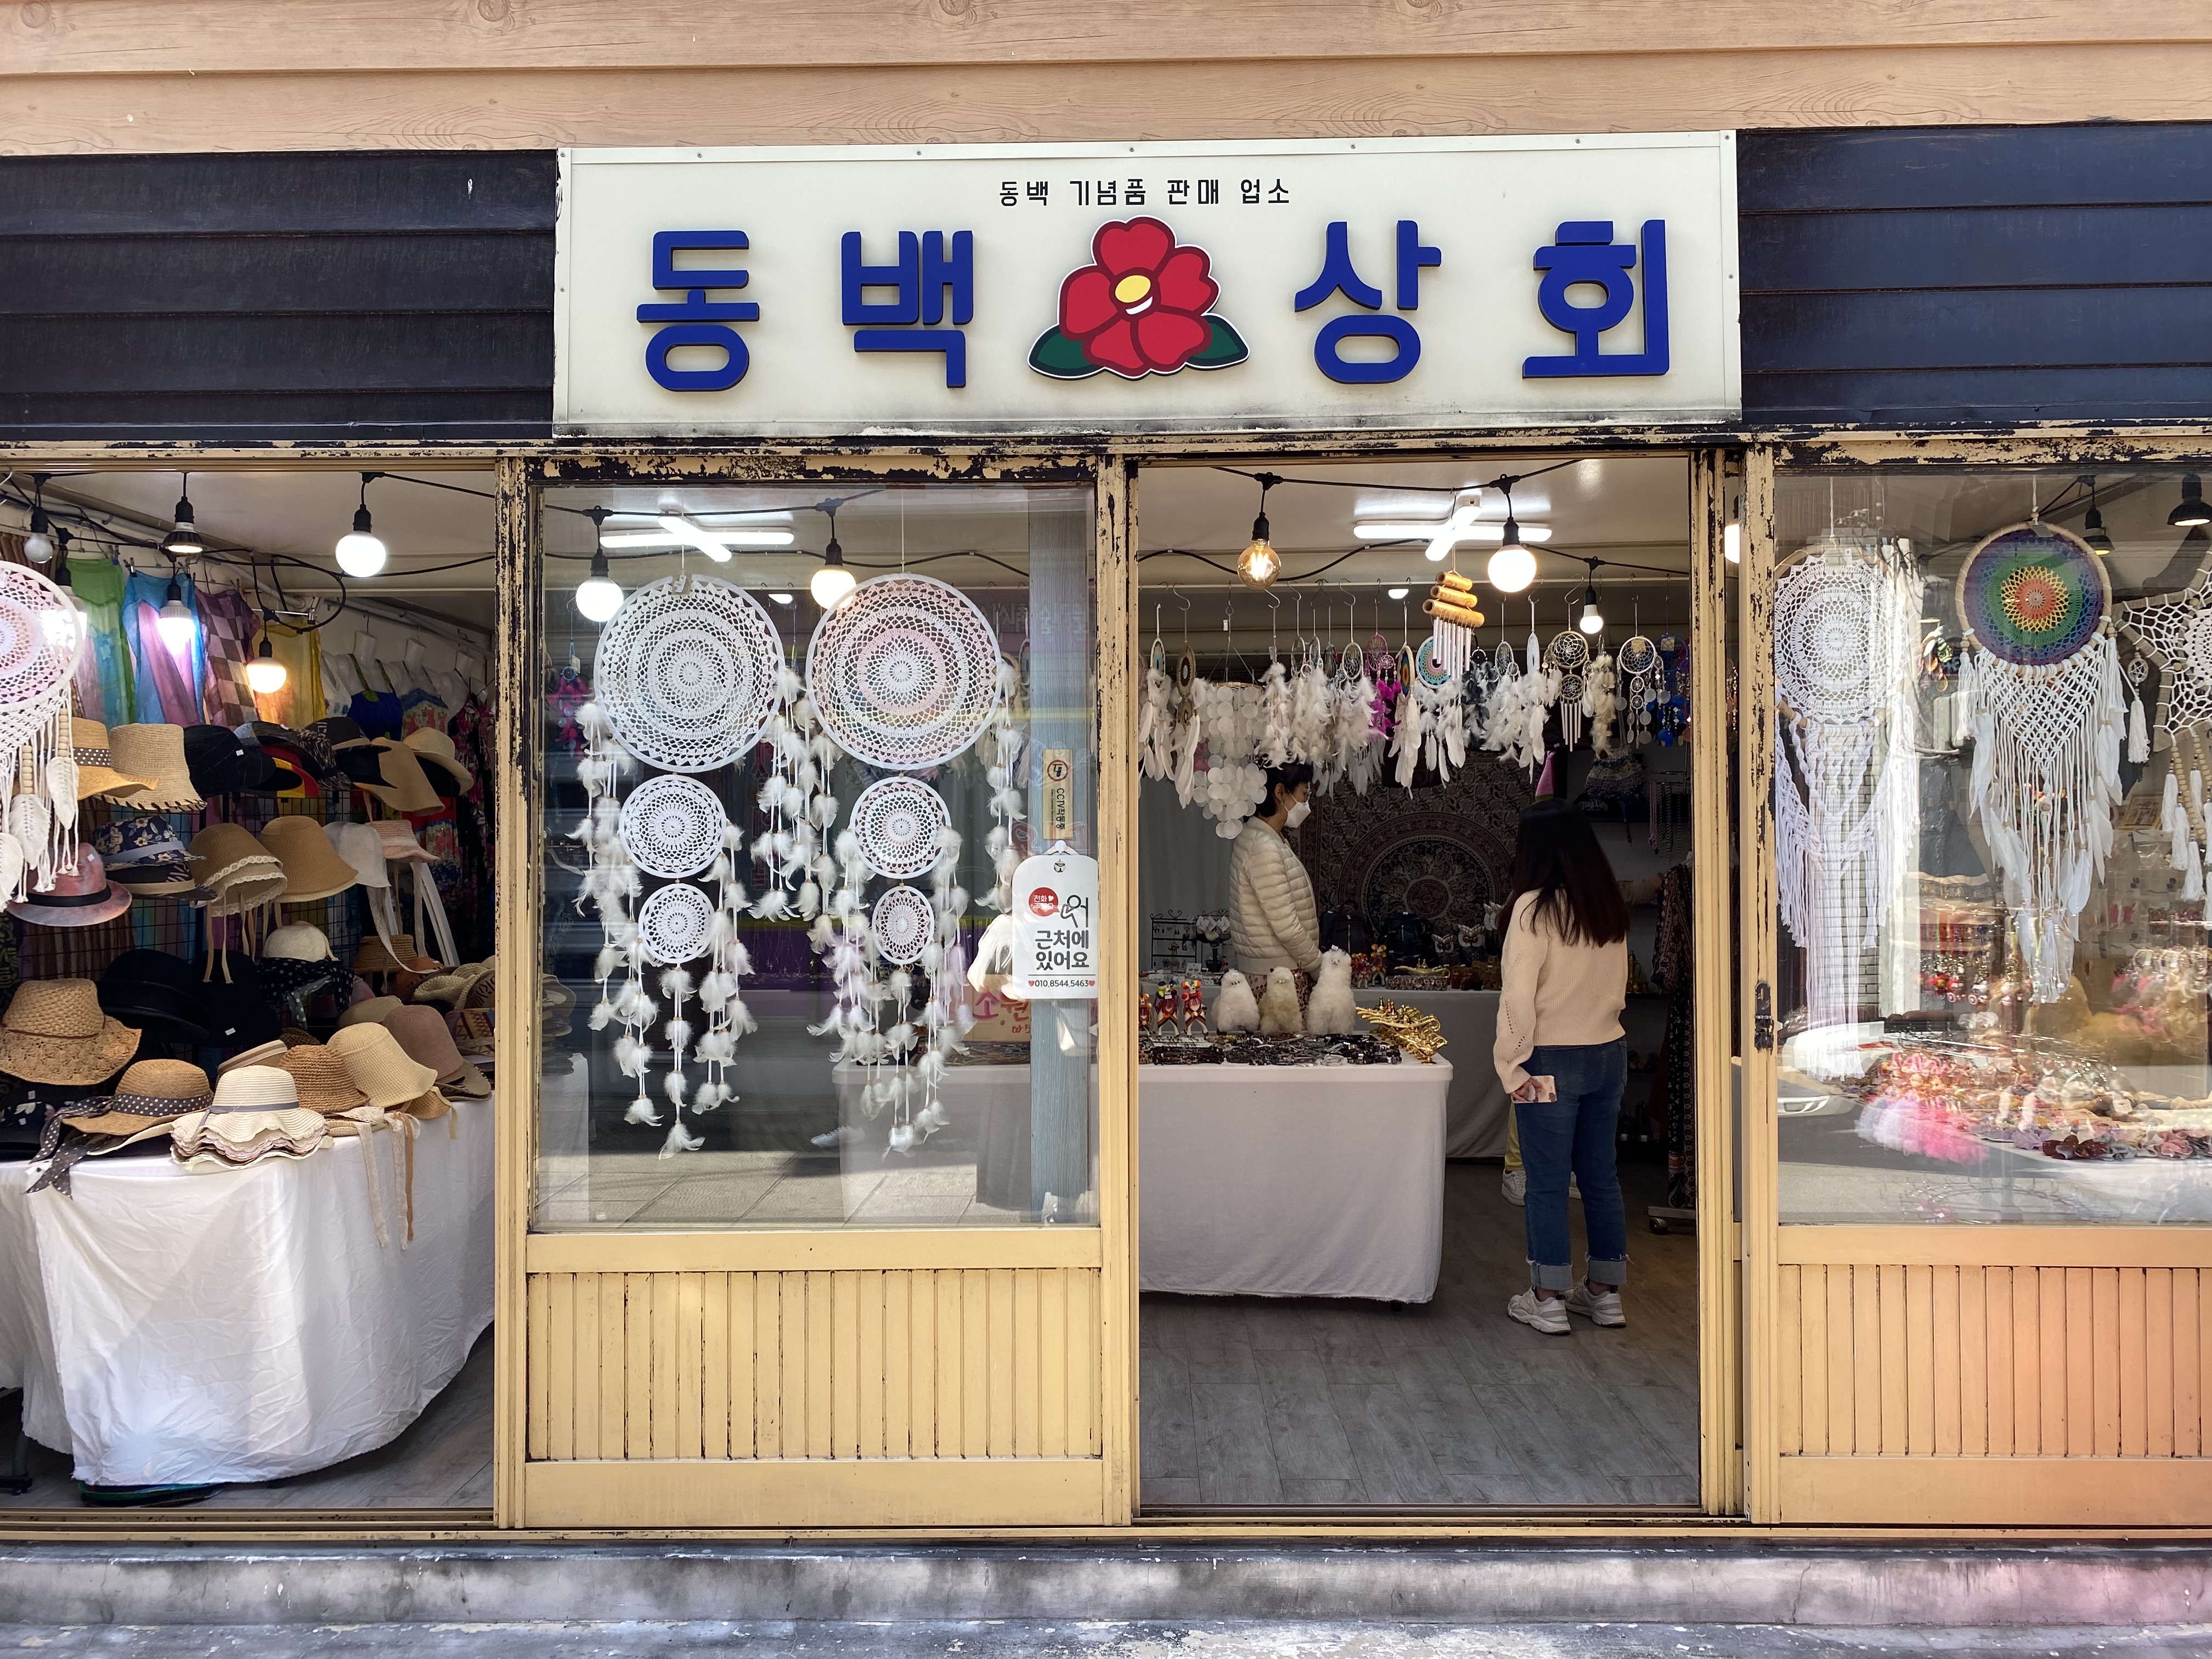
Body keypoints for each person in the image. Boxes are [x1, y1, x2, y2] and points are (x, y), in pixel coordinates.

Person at [1493, 797, 1631, 1336]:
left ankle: (1547, 1297)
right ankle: (1604, 1293)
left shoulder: (1532, 909)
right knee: (1600, 1178)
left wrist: (1511, 1065)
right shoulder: (1605, 902)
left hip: (1548, 1058)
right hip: (1610, 1055)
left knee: (1547, 1182)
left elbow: (1518, 998)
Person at [1228, 761, 1322, 979]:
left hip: (1278, 970)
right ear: (1280, 792)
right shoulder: (1264, 847)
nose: (1306, 803)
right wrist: (1318, 967)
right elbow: (1287, 927)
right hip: (1279, 976)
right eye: (1304, 794)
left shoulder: (1266, 839)